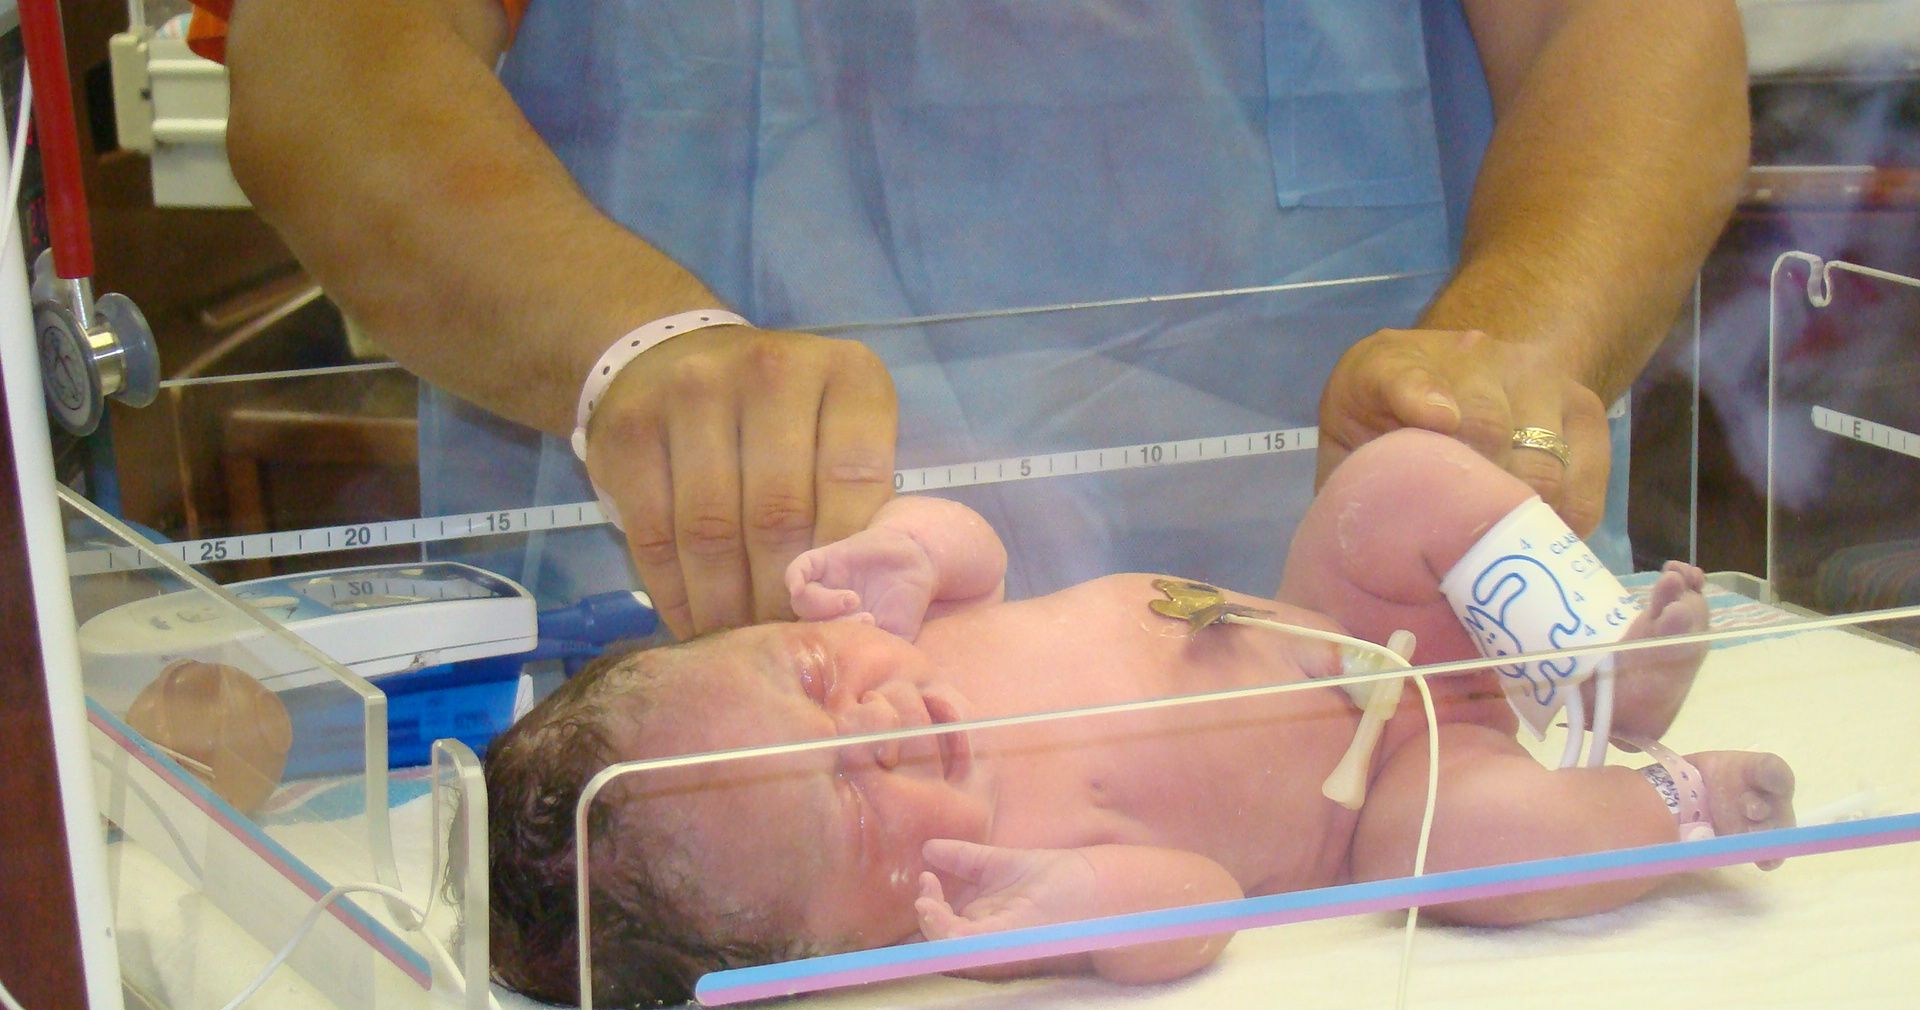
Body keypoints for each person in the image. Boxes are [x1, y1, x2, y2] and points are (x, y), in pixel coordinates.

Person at [190, 2, 1751, 637]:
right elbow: (333, 64)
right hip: (731, 669)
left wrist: (1510, 356)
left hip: (1385, 661)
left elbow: (1624, 33)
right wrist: (631, 346)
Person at [482, 429, 1796, 1008]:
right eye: (850, 797)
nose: (875, 723)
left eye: (812, 678)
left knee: (1394, 483)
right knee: (1464, 856)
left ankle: (1594, 655)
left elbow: (981, 548)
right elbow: (1202, 902)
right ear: (851, 949)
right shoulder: (1006, 884)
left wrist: (910, 542)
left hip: (1348, 622)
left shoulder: (905, 625)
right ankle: (1680, 802)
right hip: (1398, 793)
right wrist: (1077, 913)